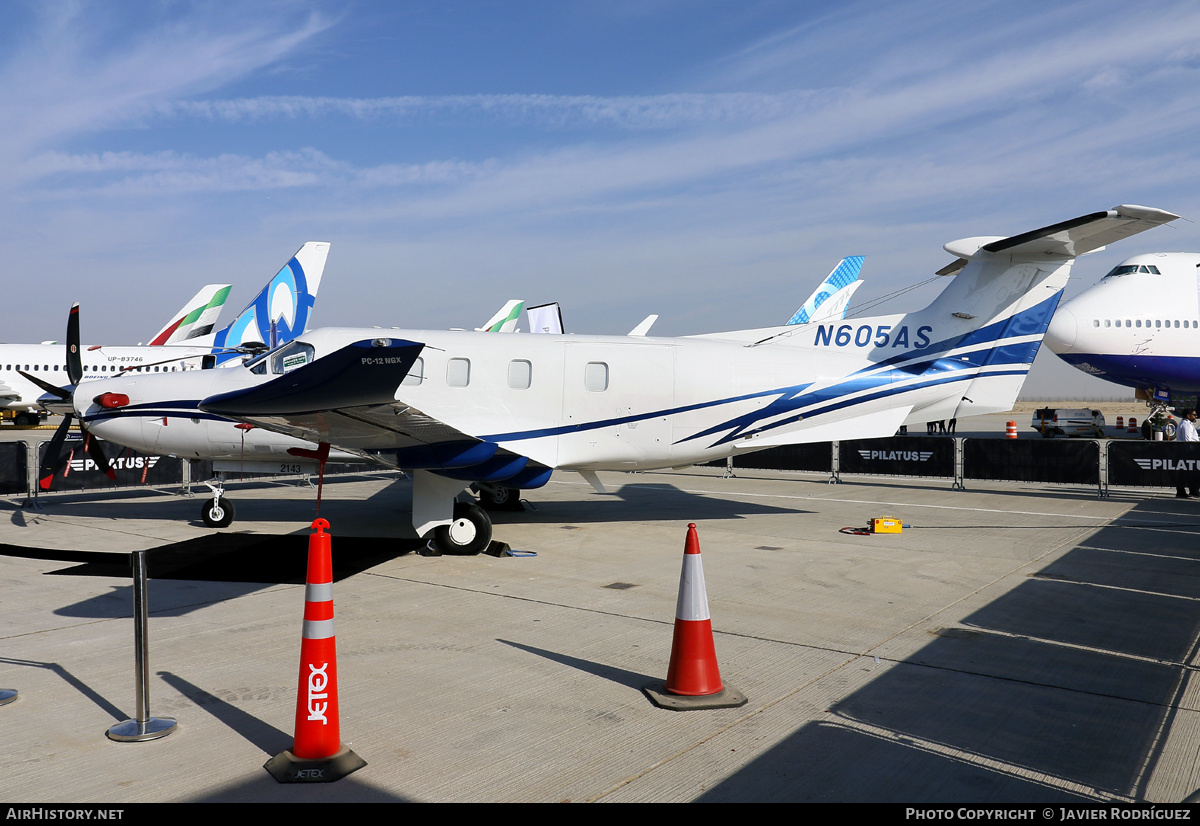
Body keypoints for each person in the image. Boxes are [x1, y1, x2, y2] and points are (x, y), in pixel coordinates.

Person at [1175, 408, 1200, 498]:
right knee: (1189, 472)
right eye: (1194, 415)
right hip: (1188, 452)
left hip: (1188, 451)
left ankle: (1192, 490)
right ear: (1188, 416)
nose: (1196, 416)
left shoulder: (1187, 423)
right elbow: (1187, 440)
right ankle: (1190, 491)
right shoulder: (1186, 425)